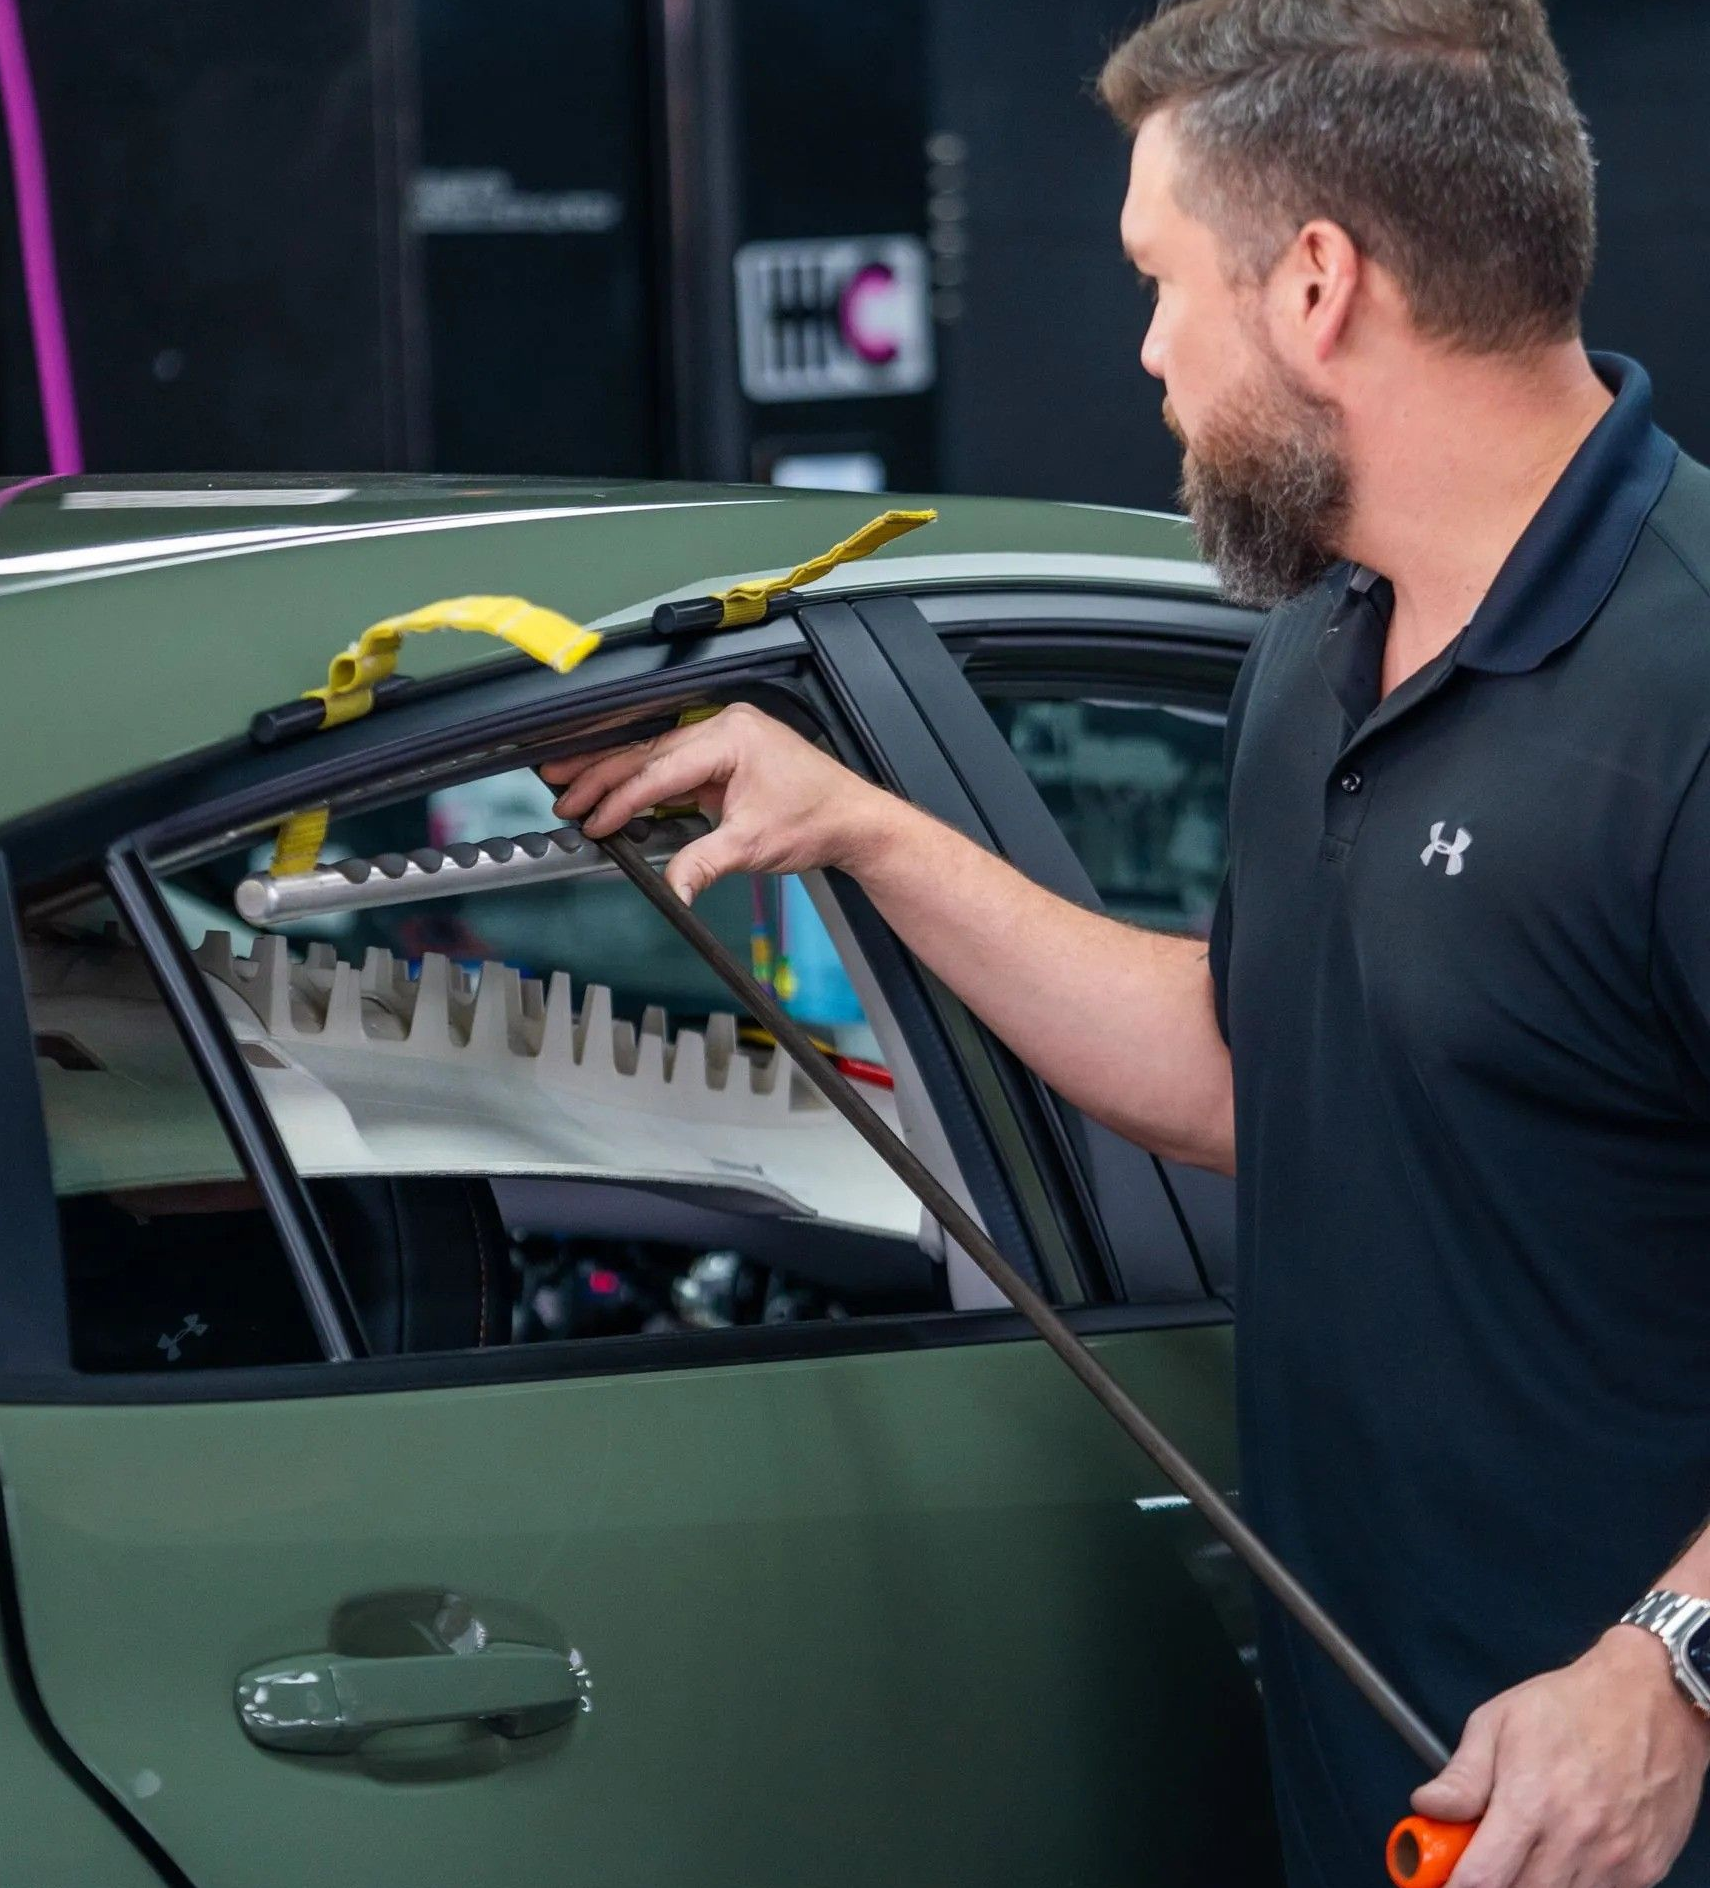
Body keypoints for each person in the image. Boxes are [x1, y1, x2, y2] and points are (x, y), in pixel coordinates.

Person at [547, 2, 1710, 1883]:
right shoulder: (1325, 644)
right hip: (1397, 1798)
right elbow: (1256, 1074)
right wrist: (856, 826)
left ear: (1316, 284)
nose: (1146, 346)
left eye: (1164, 279)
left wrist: (1677, 1671)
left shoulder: (1693, 692)